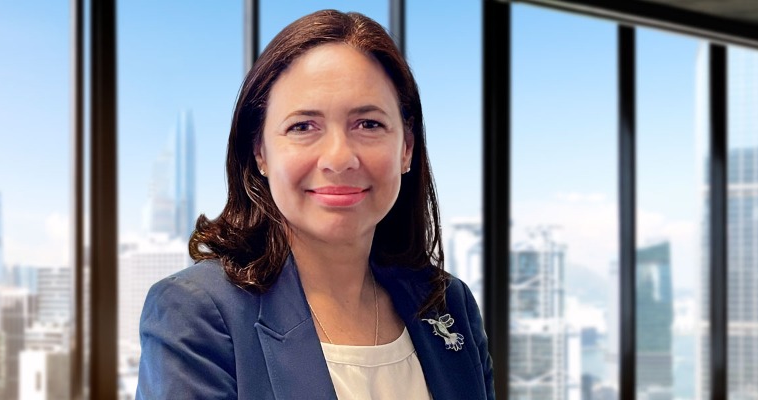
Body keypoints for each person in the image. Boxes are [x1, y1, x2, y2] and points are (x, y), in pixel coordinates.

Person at [136, 9, 493, 399]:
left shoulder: (448, 304)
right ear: (260, 152)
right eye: (303, 126)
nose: (338, 158)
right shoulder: (197, 312)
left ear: (406, 147)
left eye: (368, 124)